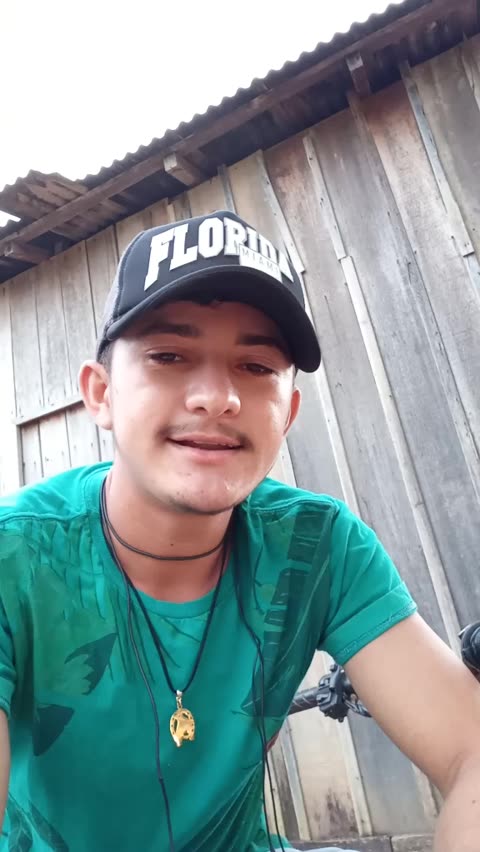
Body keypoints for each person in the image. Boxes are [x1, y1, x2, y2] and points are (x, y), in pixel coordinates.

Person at [0, 210, 479, 852]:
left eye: (255, 367)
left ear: (289, 412)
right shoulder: (15, 553)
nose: (217, 397)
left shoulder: (317, 547)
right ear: (101, 393)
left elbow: (470, 750)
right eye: (169, 356)